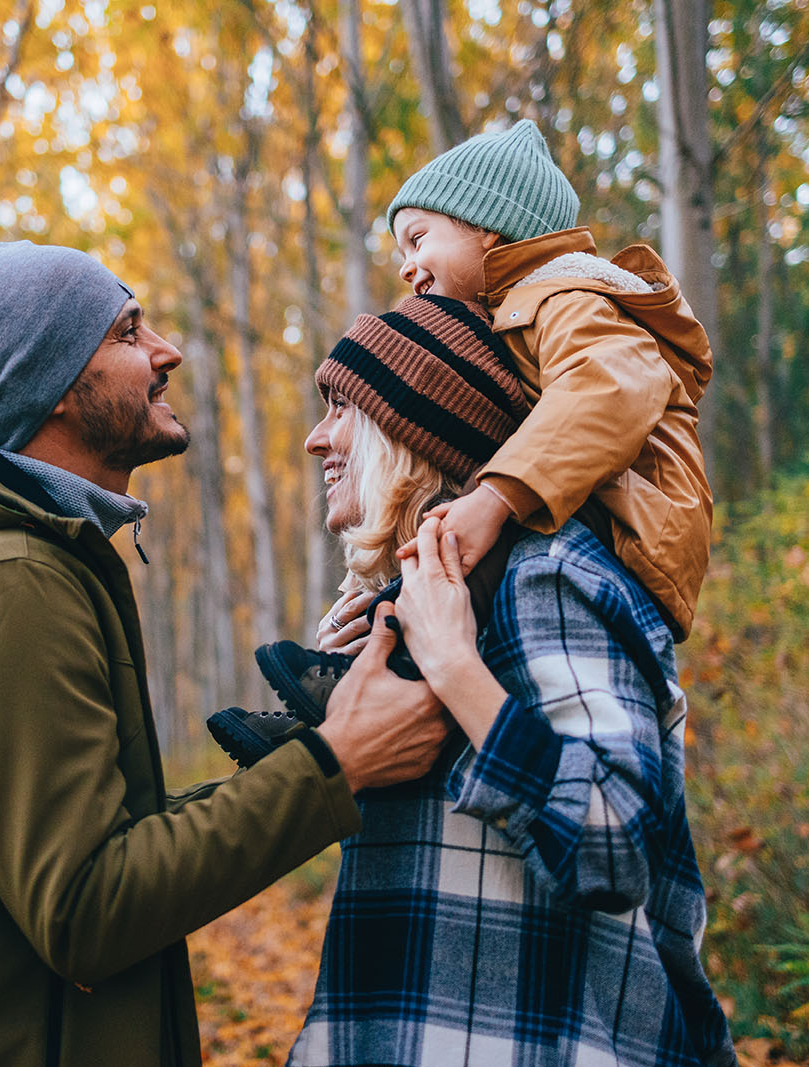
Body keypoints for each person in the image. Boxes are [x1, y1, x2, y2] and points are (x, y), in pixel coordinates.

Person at [0, 240, 451, 1067]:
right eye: (130, 331)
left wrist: (312, 756)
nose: (167, 350)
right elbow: (86, 908)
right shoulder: (0, 584)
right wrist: (337, 767)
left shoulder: (28, 560)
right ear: (57, 381)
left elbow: (93, 844)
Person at [268, 295, 738, 1067]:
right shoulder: (440, 598)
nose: (316, 437)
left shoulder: (546, 577)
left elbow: (615, 840)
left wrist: (458, 673)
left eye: (340, 406)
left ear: (416, 425)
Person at [259, 119, 712, 722]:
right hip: (590, 501)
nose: (406, 267)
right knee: (452, 558)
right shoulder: (520, 315)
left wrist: (495, 499)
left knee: (478, 546)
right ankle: (354, 683)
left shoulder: (569, 299)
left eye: (418, 240)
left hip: (633, 522)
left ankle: (369, 680)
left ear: (490, 231)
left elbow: (608, 389)